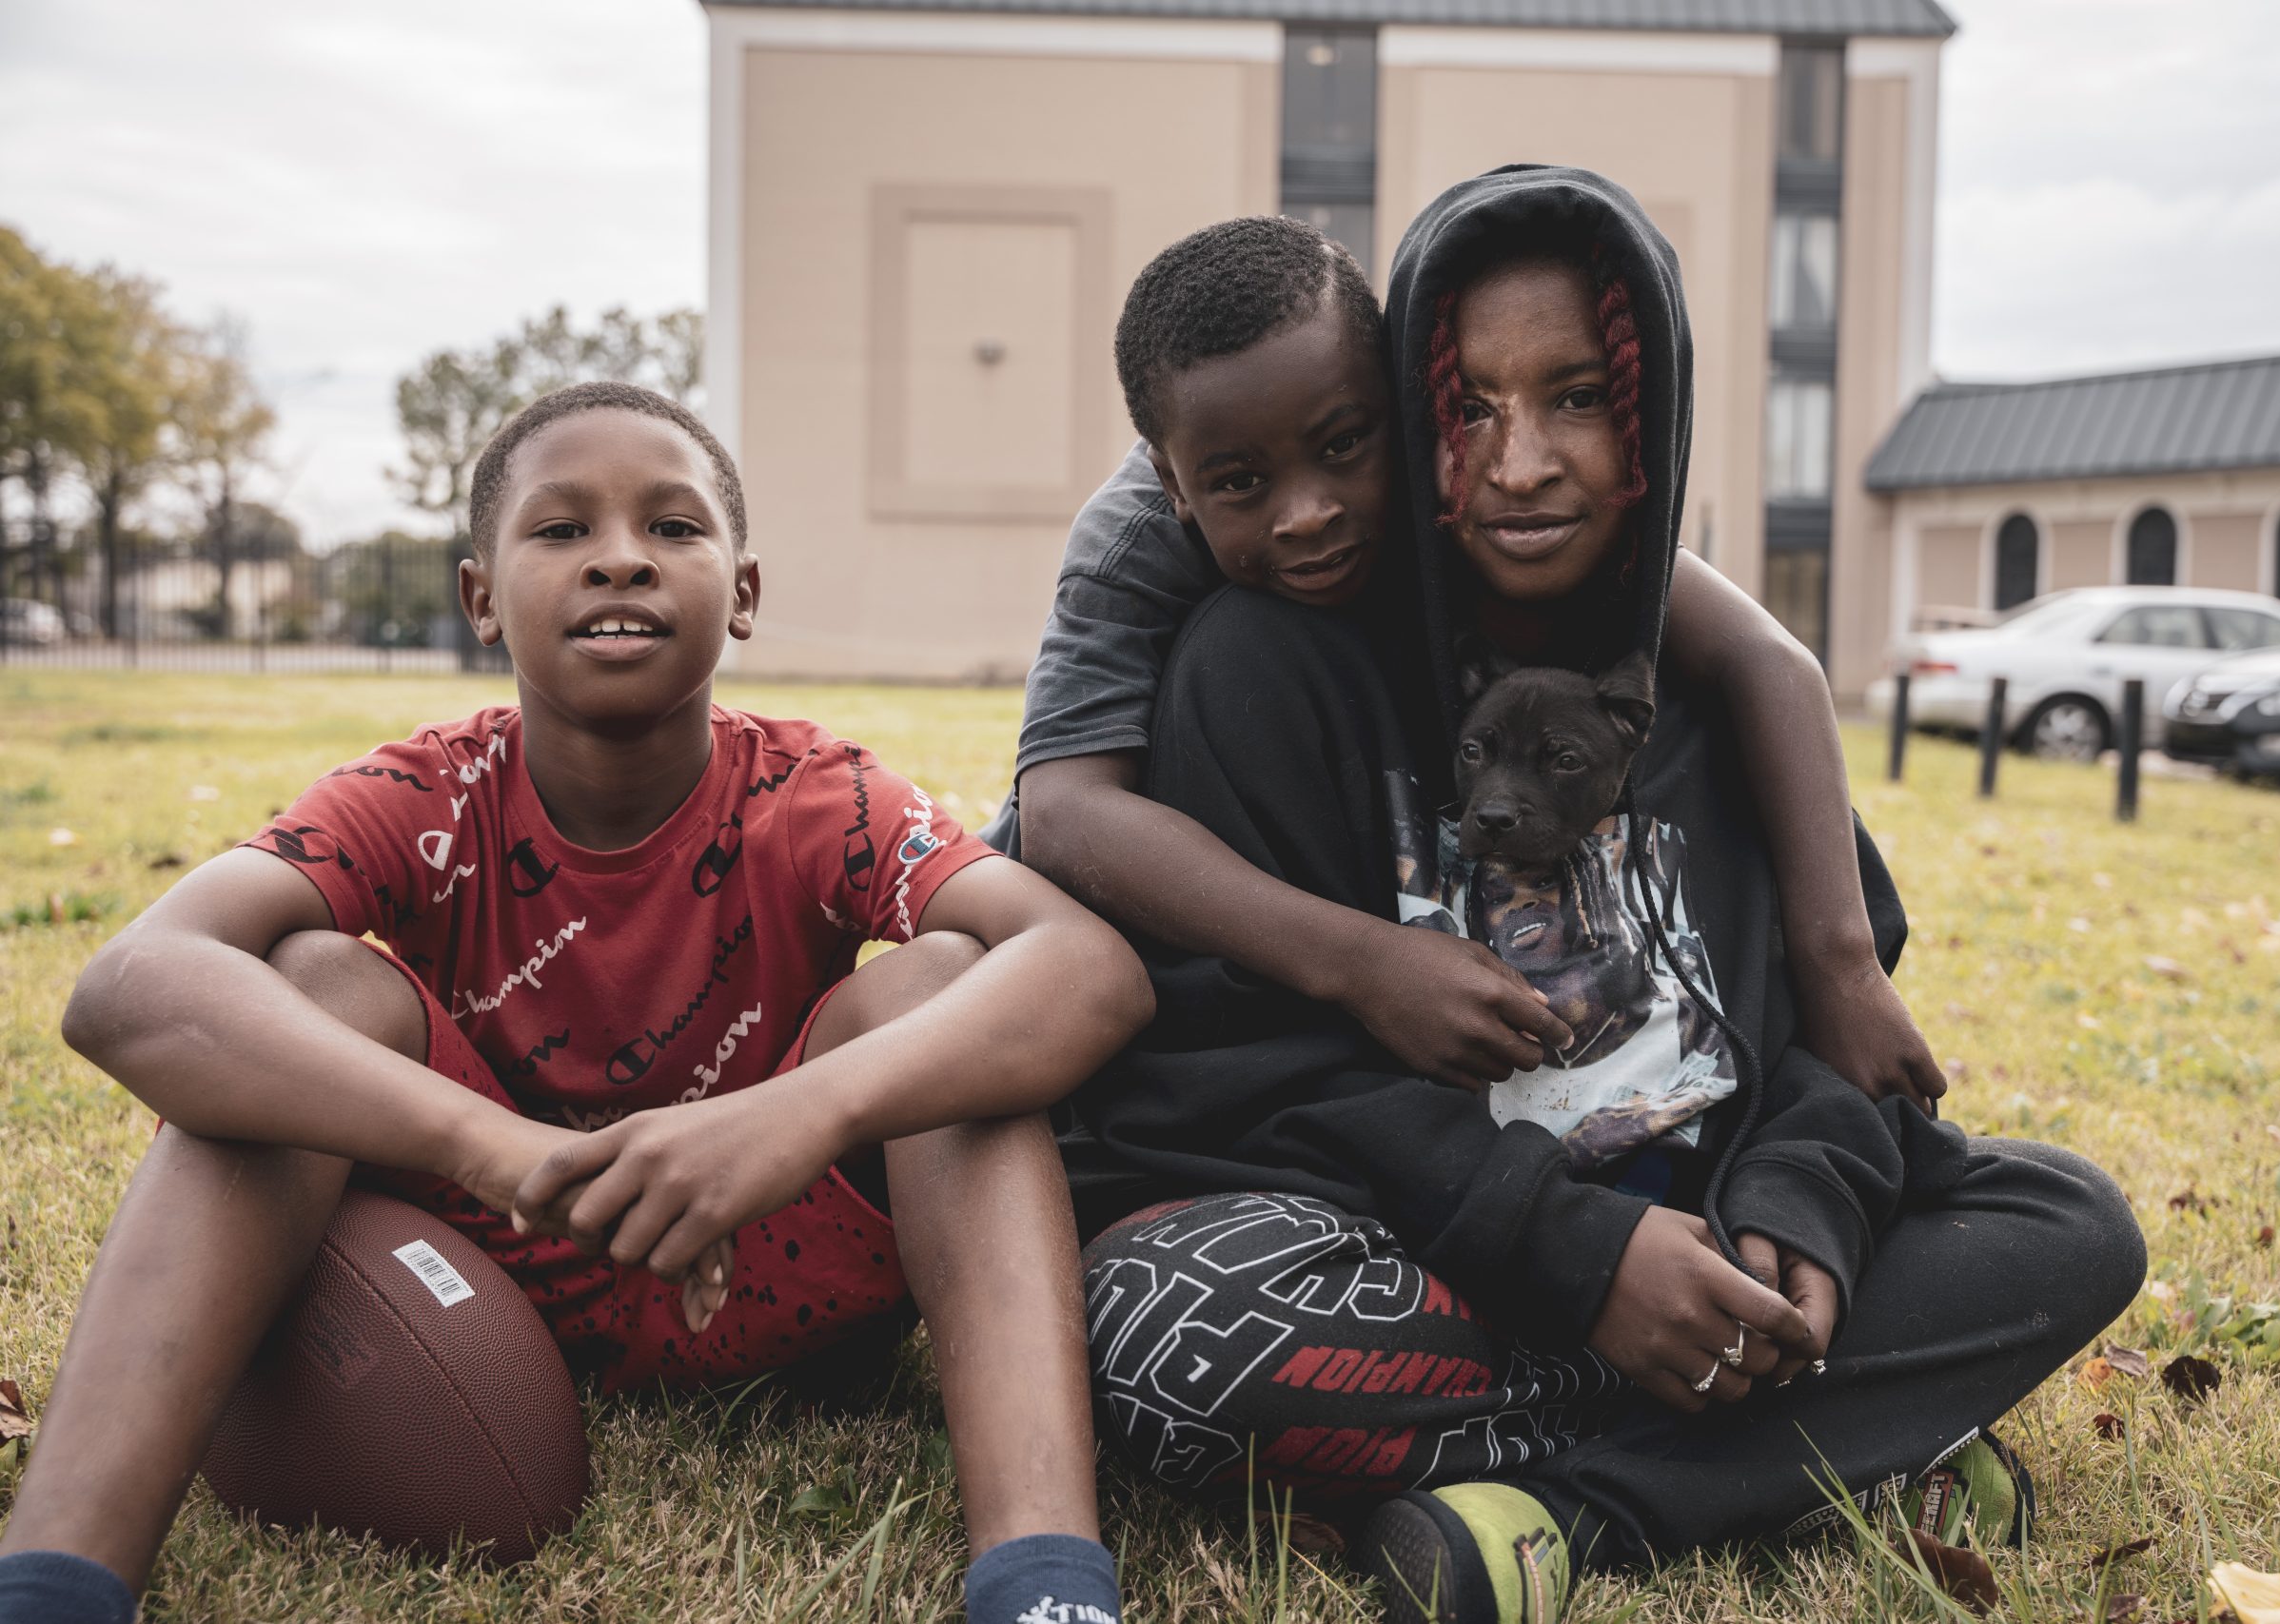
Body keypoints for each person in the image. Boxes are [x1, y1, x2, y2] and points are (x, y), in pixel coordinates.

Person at [1045, 174, 2148, 1624]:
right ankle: (1850, 1433)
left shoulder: (1715, 690)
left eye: (1579, 397)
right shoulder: (1262, 662)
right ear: (1420, 407)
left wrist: (1793, 1212)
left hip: (1696, 1233)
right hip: (1444, 1251)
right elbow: (1240, 1070)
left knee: (2073, 1223)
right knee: (1171, 1332)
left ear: (1653, 417)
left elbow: (1829, 1052)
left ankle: (1573, 1509)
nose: (1522, 463)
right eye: (1476, 405)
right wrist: (1584, 1259)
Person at [0, 382, 1150, 1624]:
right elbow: (128, 984)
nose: (618, 557)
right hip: (496, 1258)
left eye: (672, 527)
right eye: (560, 530)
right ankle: (60, 1571)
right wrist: (508, 1152)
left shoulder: (817, 791)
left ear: (745, 592)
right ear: (480, 597)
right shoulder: (429, 790)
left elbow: (1088, 967)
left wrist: (801, 1113)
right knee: (312, 982)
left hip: (777, 1263)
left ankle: (1044, 1579)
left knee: (944, 990)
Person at [1000, 212, 1946, 1113]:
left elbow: (1763, 656)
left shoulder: (1453, 462)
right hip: (1143, 926)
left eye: (1342, 445)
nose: (1307, 512)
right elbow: (1064, 816)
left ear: (1402, 396)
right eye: (1243, 486)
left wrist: (1839, 962)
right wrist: (1364, 963)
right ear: (1175, 484)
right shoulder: (1134, 542)